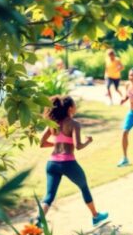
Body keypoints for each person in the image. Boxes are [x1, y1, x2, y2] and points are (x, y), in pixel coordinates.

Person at [38, 96, 108, 226]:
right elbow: (78, 146)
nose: (76, 107)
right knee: (84, 187)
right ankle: (95, 216)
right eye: (74, 105)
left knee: (49, 196)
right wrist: (88, 141)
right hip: (68, 163)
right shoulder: (74, 124)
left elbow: (41, 143)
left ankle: (37, 221)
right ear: (70, 108)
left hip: (52, 163)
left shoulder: (52, 124)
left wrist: (56, 145)